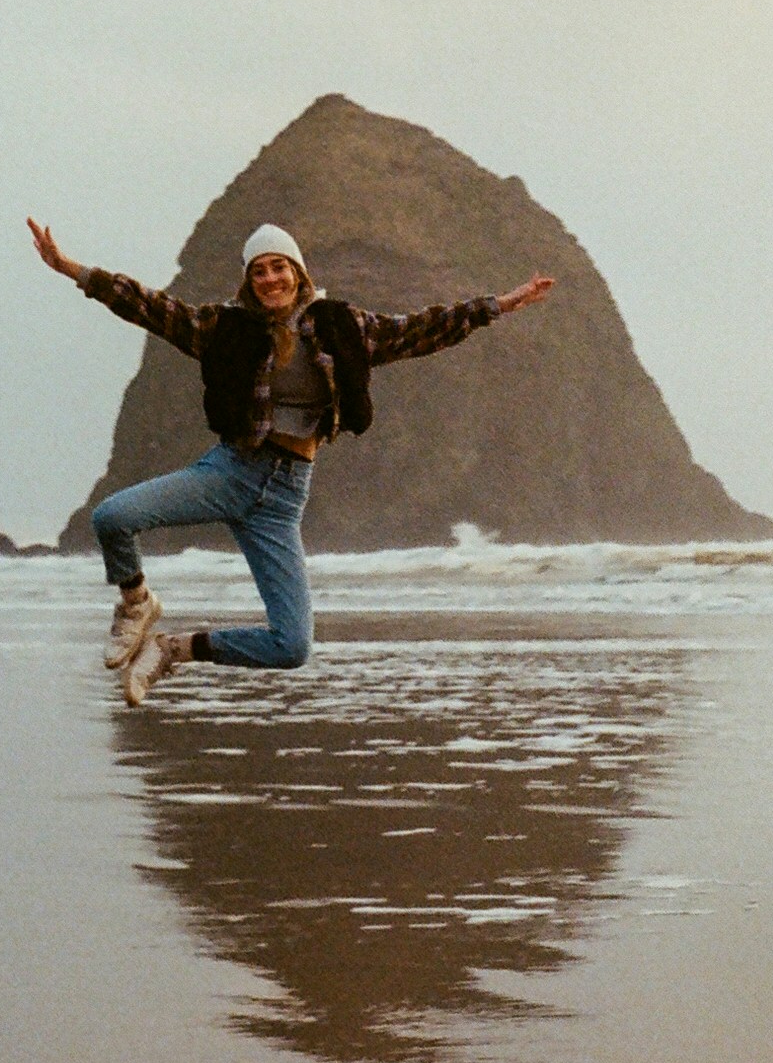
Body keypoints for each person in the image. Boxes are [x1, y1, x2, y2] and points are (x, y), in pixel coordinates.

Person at [27, 214, 554, 703]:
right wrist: (71, 268)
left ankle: (171, 650)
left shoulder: (343, 326)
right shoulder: (223, 328)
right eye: (259, 270)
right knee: (112, 518)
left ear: (298, 271)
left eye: (279, 266)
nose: (270, 278)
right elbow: (147, 305)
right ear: (248, 280)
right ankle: (137, 603)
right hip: (230, 473)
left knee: (292, 647)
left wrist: (500, 304)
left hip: (283, 499)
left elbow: (422, 329)